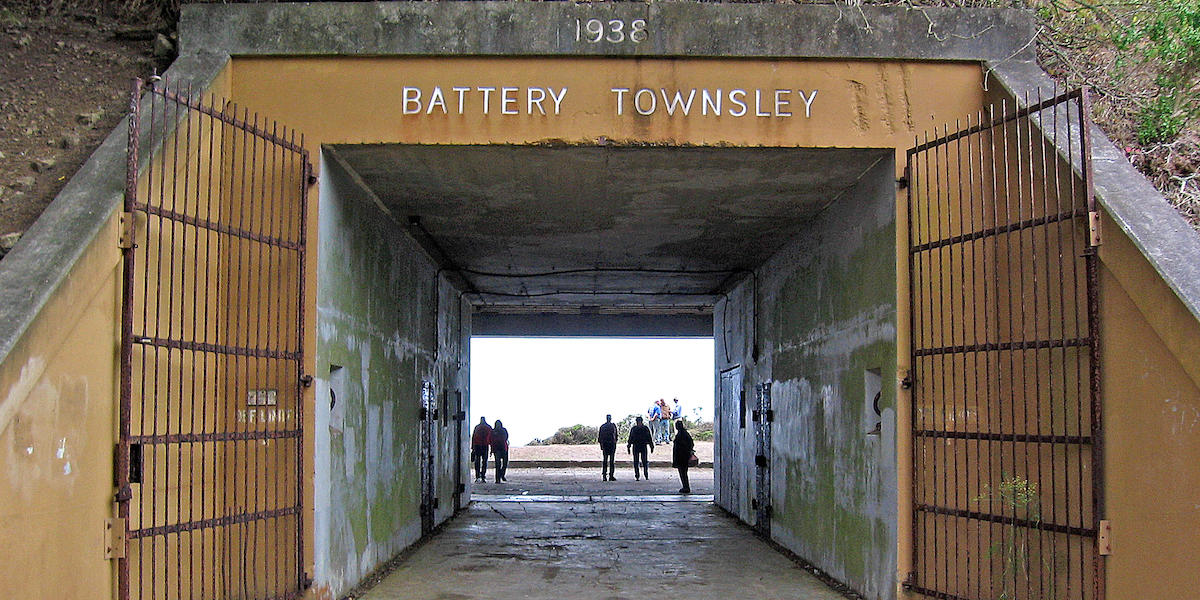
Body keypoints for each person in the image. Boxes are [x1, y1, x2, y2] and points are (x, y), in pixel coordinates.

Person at [626, 416, 654, 480]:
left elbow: (630, 438)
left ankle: (642, 475)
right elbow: (649, 438)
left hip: (639, 446)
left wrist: (629, 446)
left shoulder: (636, 428)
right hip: (640, 446)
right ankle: (640, 475)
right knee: (640, 461)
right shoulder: (644, 428)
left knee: (641, 461)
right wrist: (651, 446)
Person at [672, 419, 695, 494]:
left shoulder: (680, 435)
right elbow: (691, 443)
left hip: (681, 457)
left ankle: (686, 487)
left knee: (683, 473)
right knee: (684, 472)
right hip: (685, 456)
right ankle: (685, 486)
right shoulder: (685, 433)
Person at [471, 417, 492, 482]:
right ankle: (483, 475)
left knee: (477, 461)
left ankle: (477, 476)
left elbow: (473, 437)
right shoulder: (488, 427)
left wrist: (473, 447)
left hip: (477, 446)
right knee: (484, 461)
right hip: (485, 446)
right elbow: (491, 437)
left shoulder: (477, 427)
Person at [598, 414, 618, 481]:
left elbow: (600, 438)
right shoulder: (613, 426)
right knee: (610, 461)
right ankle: (610, 475)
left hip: (607, 445)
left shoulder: (603, 426)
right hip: (610, 445)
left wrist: (601, 445)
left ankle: (606, 475)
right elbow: (616, 436)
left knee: (606, 460)